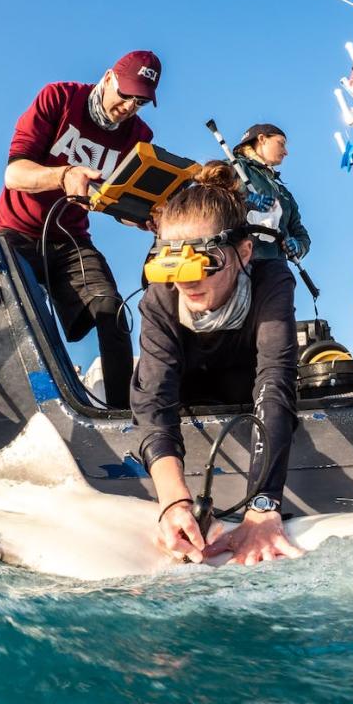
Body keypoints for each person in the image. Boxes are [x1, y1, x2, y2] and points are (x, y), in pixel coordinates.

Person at [131, 162, 303, 566]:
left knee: (261, 386)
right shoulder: (159, 298)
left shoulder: (271, 280)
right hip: (187, 394)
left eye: (203, 262)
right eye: (173, 265)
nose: (186, 282)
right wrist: (173, 501)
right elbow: (154, 400)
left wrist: (263, 507)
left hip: (246, 389)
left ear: (244, 252)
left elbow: (275, 381)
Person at [0, 50, 162, 408]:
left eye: (141, 101)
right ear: (108, 78)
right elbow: (14, 173)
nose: (130, 106)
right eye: (126, 93)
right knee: (21, 323)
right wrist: (64, 174)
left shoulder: (139, 135)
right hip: (15, 234)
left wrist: (143, 216)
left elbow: (114, 202)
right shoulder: (59, 98)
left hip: (70, 241)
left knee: (112, 310)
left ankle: (121, 416)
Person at [232, 123, 312, 262]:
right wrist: (246, 200)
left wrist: (299, 246)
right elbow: (210, 198)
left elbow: (301, 234)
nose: (286, 152)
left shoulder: (284, 194)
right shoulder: (235, 168)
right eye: (281, 143)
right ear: (262, 139)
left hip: (274, 267)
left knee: (283, 280)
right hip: (235, 258)